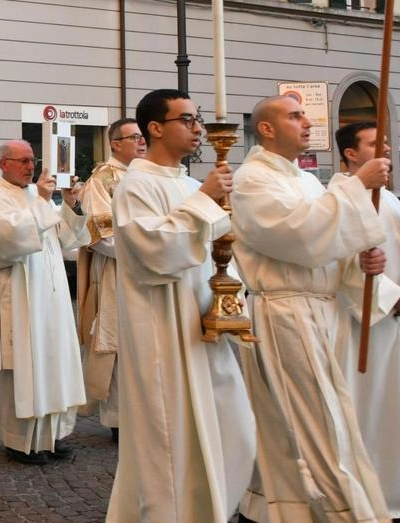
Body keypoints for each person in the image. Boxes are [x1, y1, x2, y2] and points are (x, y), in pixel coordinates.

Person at [233, 97, 392, 522]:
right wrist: (357, 185)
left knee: (311, 420)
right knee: (316, 423)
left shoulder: (303, 179)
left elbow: (327, 238)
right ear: (266, 129)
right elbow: (297, 235)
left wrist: (358, 262)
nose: (307, 123)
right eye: (295, 116)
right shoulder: (252, 180)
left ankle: (285, 509)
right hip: (287, 312)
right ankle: (339, 512)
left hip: (320, 313)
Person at [104, 89, 255, 522]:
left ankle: (211, 509)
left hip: (203, 323)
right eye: (187, 120)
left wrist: (233, 294)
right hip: (162, 328)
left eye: (198, 119)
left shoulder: (190, 184)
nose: (198, 129)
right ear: (155, 128)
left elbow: (220, 250)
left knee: (233, 425)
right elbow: (155, 252)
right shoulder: (137, 183)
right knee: (169, 440)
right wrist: (206, 200)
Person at [0, 140, 90, 465]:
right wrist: (40, 201)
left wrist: (70, 204)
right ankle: (20, 440)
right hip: (17, 299)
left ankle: (51, 435)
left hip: (50, 300)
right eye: (22, 161)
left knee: (53, 364)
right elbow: (7, 241)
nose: (29, 166)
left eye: (32, 160)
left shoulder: (36, 198)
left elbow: (67, 240)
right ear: (3, 164)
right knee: (21, 368)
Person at [329, 121, 400, 520]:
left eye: (386, 141)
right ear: (351, 154)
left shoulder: (388, 198)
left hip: (392, 325)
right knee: (366, 414)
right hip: (361, 325)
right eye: (374, 143)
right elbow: (341, 261)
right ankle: (366, 498)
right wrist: (391, 298)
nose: (385, 148)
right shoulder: (340, 197)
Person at [76, 118, 147, 443]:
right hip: (119, 272)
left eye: (142, 137)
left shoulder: (149, 175)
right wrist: (148, 252)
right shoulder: (102, 181)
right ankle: (120, 421)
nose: (141, 142)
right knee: (119, 344)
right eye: (133, 138)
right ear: (115, 143)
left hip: (152, 272)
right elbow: (98, 234)